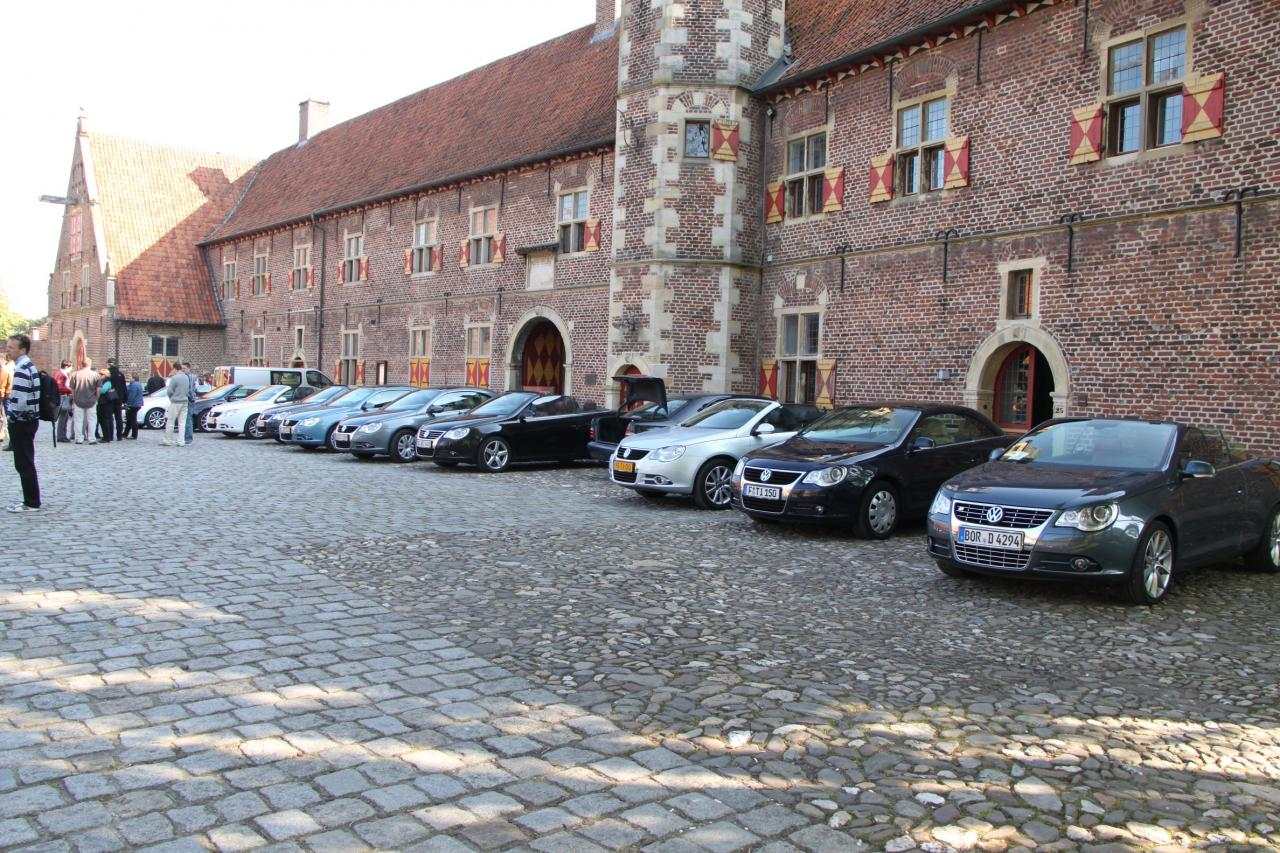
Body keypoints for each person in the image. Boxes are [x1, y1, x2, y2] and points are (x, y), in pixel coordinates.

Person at [5, 334, 40, 512]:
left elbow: (19, 400)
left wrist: (10, 416)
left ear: (22, 349)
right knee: (26, 461)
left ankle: (31, 502)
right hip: (30, 420)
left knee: (23, 463)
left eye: (11, 347)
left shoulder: (21, 369)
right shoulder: (29, 366)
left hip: (22, 422)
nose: (8, 350)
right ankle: (31, 500)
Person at [69, 358, 101, 444]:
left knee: (78, 420)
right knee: (92, 420)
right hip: (91, 400)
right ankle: (92, 438)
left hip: (78, 400)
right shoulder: (96, 375)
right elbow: (98, 389)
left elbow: (72, 389)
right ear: (90, 364)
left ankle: (78, 438)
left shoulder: (75, 374)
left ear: (82, 364)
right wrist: (96, 398)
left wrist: (74, 398)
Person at [162, 364, 192, 446]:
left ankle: (168, 440)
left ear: (175, 369)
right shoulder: (186, 377)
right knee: (182, 423)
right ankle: (181, 441)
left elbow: (169, 391)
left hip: (175, 402)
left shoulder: (175, 378)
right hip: (184, 401)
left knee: (170, 421)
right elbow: (188, 390)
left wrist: (172, 397)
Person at [107, 358, 127, 439]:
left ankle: (110, 435)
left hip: (111, 396)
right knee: (118, 417)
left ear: (109, 364)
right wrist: (125, 399)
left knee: (110, 417)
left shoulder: (109, 374)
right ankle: (119, 436)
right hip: (119, 397)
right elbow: (124, 388)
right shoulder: (121, 374)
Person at [53, 360, 73, 443]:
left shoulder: (60, 373)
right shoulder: (61, 374)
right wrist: (70, 390)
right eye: (71, 367)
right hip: (63, 397)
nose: (72, 369)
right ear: (67, 366)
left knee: (64, 417)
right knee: (63, 417)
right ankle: (61, 436)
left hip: (63, 396)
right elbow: (59, 387)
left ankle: (62, 435)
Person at [95, 368, 116, 443]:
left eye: (101, 374)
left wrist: (96, 388)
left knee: (105, 420)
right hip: (105, 403)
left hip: (105, 403)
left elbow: (103, 390)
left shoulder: (107, 382)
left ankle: (107, 437)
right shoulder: (104, 381)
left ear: (105, 375)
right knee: (104, 420)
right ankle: (108, 436)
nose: (99, 375)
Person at [124, 373, 144, 439]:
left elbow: (132, 395)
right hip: (137, 404)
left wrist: (128, 403)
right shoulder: (138, 384)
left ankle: (134, 435)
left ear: (133, 378)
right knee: (130, 419)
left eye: (130, 377)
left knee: (132, 420)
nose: (129, 379)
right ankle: (125, 433)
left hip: (133, 404)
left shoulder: (134, 385)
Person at [183, 362, 197, 444]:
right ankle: (186, 437)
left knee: (188, 420)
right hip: (189, 399)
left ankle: (188, 438)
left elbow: (191, 390)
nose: (183, 370)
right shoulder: (191, 377)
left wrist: (191, 398)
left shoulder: (189, 377)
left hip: (189, 400)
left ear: (189, 368)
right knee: (186, 420)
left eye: (184, 368)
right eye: (182, 368)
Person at [0, 352, 11, 451]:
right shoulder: (6, 371)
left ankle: (1, 434)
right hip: (4, 394)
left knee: (3, 416)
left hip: (3, 395)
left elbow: (9, 384)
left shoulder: (5, 371)